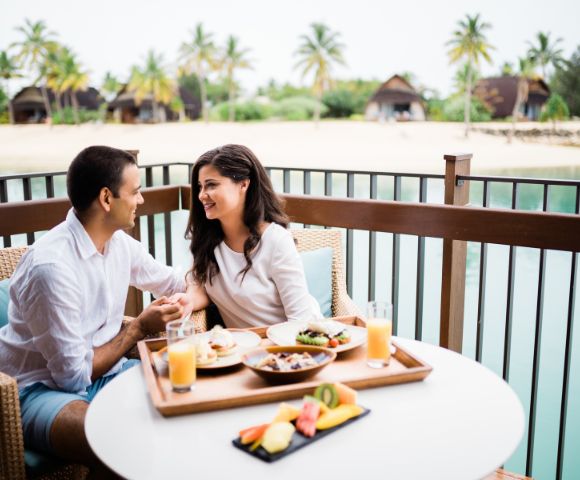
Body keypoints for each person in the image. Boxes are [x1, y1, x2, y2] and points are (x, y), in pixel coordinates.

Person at [0, 146, 193, 478]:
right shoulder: (52, 268)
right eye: (135, 191)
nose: (142, 200)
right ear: (107, 198)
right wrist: (136, 329)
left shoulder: (119, 244)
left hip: (107, 372)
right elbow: (72, 376)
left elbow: (175, 281)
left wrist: (231, 258)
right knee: (113, 437)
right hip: (37, 390)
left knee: (184, 401)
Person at [185, 144, 321, 328]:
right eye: (200, 187)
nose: (202, 195)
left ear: (243, 184)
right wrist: (187, 301)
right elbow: (197, 283)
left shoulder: (276, 241)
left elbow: (302, 320)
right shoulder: (206, 241)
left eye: (211, 185)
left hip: (293, 345)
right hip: (243, 350)